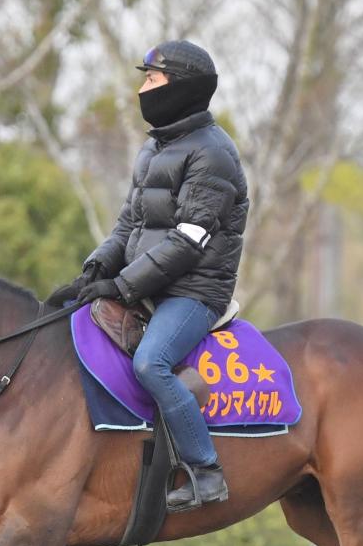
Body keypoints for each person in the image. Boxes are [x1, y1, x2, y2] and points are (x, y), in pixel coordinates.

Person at [70, 40, 249, 511]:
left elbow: (188, 244)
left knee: (151, 363)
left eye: (152, 79)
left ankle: (205, 470)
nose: (142, 88)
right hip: (149, 280)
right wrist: (96, 266)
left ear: (182, 88)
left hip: (194, 290)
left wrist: (122, 286)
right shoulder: (154, 146)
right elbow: (129, 223)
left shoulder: (214, 155)